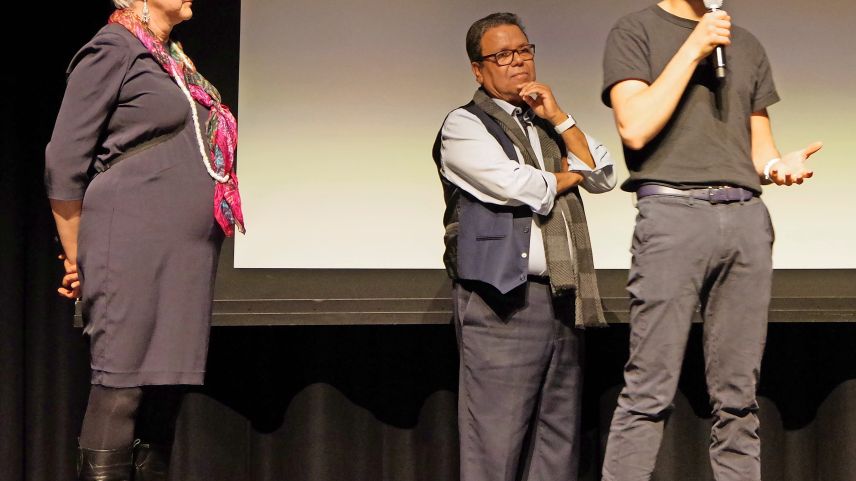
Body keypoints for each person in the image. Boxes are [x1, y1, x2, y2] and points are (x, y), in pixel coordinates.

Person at [599, 1, 822, 480]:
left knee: (739, 398)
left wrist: (777, 166)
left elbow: (758, 145)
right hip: (672, 215)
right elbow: (634, 128)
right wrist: (695, 45)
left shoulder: (748, 44)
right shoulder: (635, 31)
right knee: (648, 390)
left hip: (745, 216)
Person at [45, 0, 244, 479]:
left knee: (163, 389)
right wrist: (78, 260)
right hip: (130, 240)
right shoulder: (114, 47)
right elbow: (63, 161)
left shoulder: (171, 57)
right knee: (123, 384)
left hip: (182, 255)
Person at [433, 12, 616, 481]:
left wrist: (559, 116)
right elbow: (520, 185)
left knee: (558, 443)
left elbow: (606, 173)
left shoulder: (547, 124)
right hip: (503, 303)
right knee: (495, 444)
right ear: (479, 69)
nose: (517, 62)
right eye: (502, 55)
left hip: (562, 295)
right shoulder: (463, 125)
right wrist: (575, 173)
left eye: (524, 51)